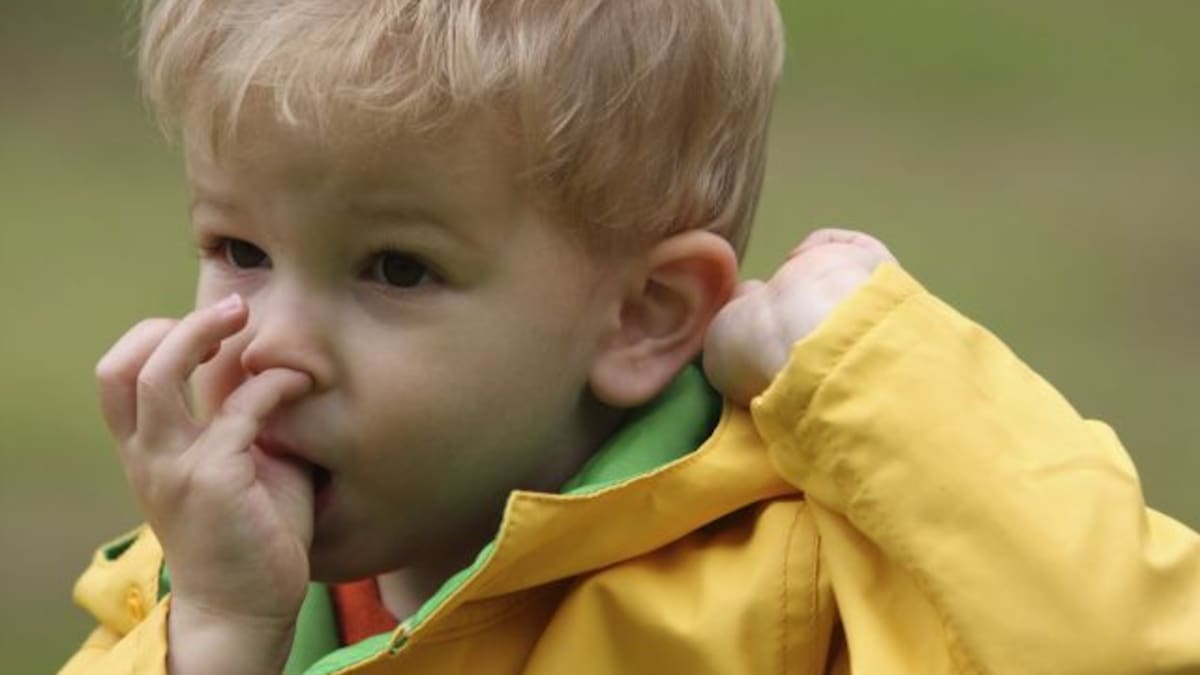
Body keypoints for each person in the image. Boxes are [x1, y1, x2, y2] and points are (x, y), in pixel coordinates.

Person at [61, 1, 1200, 674]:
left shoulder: (794, 589)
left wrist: (872, 369)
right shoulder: (197, 581)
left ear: (644, 317)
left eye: (396, 268)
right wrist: (213, 637)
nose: (269, 346)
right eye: (239, 251)